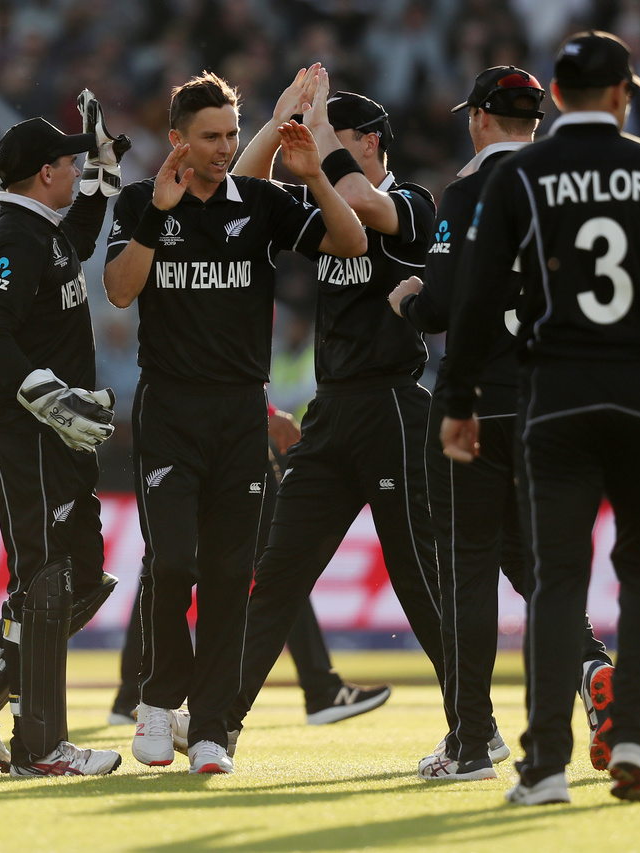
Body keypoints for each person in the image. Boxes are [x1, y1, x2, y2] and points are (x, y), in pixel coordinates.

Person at [442, 31, 640, 805]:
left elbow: (476, 297)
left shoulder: (523, 174)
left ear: (557, 93)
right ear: (620, 96)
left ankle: (546, 764)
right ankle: (636, 736)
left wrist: (460, 400)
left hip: (558, 393)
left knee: (557, 576)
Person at [101, 70, 366, 775]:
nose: (223, 148)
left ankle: (211, 727)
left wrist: (315, 176)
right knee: (173, 562)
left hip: (240, 413)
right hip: (169, 409)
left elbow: (351, 244)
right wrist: (156, 217)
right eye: (210, 136)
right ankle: (158, 701)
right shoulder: (141, 201)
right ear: (177, 139)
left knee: (228, 573)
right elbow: (120, 292)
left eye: (232, 136)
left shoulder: (263, 201)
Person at [388, 66, 614, 782]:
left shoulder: (468, 190)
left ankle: (470, 742)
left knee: (467, 571)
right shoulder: (575, 188)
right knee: (536, 562)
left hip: (478, 405)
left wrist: (408, 298)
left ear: (480, 117)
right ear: (535, 120)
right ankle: (591, 665)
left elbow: (442, 306)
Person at [220, 68, 446, 758]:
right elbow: (240, 192)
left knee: (418, 579)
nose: (312, 146)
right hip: (332, 411)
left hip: (392, 407)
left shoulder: (412, 203)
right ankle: (218, 725)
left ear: (370, 142)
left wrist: (315, 133)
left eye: (331, 134)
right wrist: (280, 120)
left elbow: (356, 198)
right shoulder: (321, 199)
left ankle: (476, 725)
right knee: (279, 572)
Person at [0, 92, 131, 777]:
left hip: (54, 442)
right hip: (26, 436)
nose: (74, 170)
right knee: (46, 579)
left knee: (82, 578)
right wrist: (48, 394)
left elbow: (82, 235)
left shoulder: (44, 230)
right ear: (45, 173)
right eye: (69, 163)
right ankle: (41, 746)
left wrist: (103, 167)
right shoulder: (16, 237)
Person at [107, 403, 393, 729]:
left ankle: (133, 694)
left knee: (168, 562)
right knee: (281, 563)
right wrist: (264, 411)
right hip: (235, 431)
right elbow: (224, 367)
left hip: (195, 428)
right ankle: (320, 688)